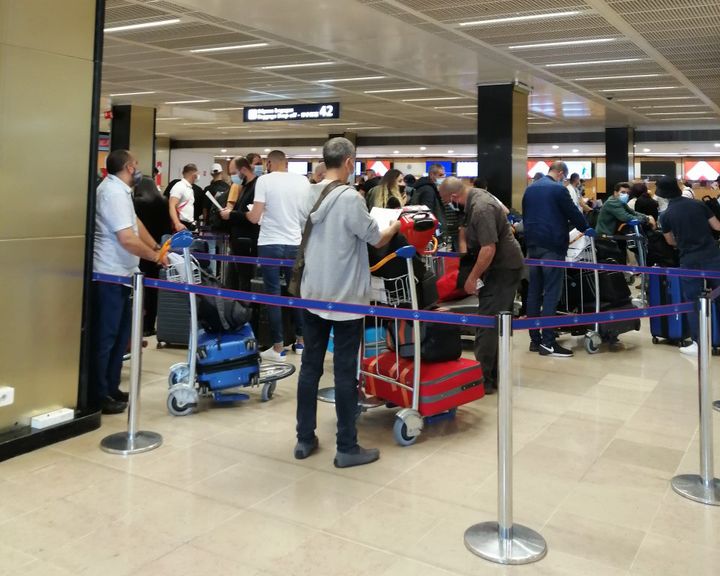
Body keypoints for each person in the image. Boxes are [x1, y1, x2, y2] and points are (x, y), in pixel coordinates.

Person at [294, 137, 401, 468]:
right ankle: (346, 446)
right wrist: (395, 224)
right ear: (350, 162)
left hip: (312, 293)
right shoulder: (351, 199)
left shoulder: (307, 194)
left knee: (310, 366)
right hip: (346, 300)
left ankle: (304, 438)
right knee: (343, 371)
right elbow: (376, 237)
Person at [92, 150, 168, 414]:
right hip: (109, 275)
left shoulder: (121, 191)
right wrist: (156, 257)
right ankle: (98, 393)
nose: (138, 168)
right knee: (107, 337)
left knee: (121, 336)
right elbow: (126, 238)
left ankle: (111, 387)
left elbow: (135, 225)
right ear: (127, 166)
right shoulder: (112, 193)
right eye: (136, 164)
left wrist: (157, 247)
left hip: (124, 275)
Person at [445, 178, 524, 393]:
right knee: (496, 322)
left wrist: (472, 277)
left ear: (454, 197)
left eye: (446, 201)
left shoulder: (480, 208)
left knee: (487, 323)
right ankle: (492, 376)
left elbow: (488, 248)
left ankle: (483, 380)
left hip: (502, 270)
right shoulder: (477, 198)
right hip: (501, 268)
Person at [245, 150, 312, 361]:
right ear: (286, 162)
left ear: (270, 163)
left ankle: (278, 347)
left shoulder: (264, 181)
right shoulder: (303, 181)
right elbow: (306, 215)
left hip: (270, 243)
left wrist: (246, 214)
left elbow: (255, 217)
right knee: (296, 292)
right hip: (294, 243)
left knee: (272, 295)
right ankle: (301, 342)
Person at [523, 161, 593, 358]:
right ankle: (548, 343)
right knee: (552, 292)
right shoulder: (558, 189)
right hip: (552, 246)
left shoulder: (531, 189)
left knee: (534, 293)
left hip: (532, 245)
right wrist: (586, 228)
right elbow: (573, 213)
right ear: (561, 173)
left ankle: (535, 341)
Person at [658, 176, 720, 355]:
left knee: (693, 302)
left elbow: (669, 241)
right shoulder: (698, 204)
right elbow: (716, 226)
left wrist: (683, 242)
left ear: (662, 195)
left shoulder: (666, 215)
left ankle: (698, 343)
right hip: (713, 256)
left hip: (689, 260)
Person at [133, 175, 172, 336]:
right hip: (159, 249)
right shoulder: (164, 201)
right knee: (153, 289)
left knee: (139, 288)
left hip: (140, 249)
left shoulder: (136, 203)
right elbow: (167, 227)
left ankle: (138, 323)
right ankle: (150, 325)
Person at [220, 157, 260, 291]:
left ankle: (245, 309)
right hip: (238, 241)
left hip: (247, 242)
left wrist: (231, 214)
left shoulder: (256, 186)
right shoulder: (245, 186)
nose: (232, 177)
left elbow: (253, 216)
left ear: (243, 169)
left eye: (233, 173)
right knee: (234, 280)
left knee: (245, 280)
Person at [596, 182, 656, 263]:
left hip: (614, 235)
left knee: (622, 257)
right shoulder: (612, 202)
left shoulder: (620, 202)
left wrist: (647, 217)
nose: (626, 195)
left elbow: (633, 213)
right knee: (616, 260)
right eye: (623, 192)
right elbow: (626, 217)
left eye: (627, 193)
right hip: (605, 238)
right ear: (615, 193)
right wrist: (647, 219)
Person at [407, 163, 447, 228]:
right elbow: (428, 213)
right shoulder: (428, 190)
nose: (443, 177)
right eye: (440, 175)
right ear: (431, 175)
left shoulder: (422, 186)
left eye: (444, 175)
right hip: (429, 227)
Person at [168, 164, 198, 232]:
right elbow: (171, 205)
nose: (197, 177)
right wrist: (177, 223)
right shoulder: (179, 186)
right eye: (196, 174)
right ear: (193, 174)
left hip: (187, 224)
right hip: (180, 224)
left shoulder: (189, 188)